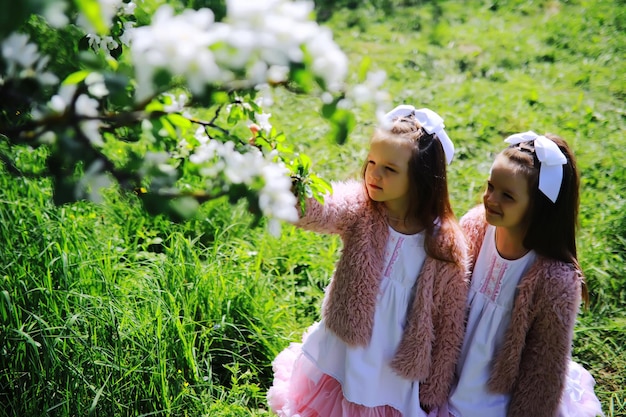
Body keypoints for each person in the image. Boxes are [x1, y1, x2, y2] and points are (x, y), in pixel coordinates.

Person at [267, 105, 470, 417]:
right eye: (372, 162)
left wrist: (435, 386)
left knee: (376, 400)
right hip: (348, 342)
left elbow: (449, 322)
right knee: (338, 392)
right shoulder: (362, 208)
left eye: (389, 169)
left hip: (393, 359)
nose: (374, 174)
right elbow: (324, 208)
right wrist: (293, 187)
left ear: (421, 178)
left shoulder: (444, 245)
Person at [445, 131, 604, 417]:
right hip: (452, 368)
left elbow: (543, 363)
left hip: (500, 388)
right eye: (491, 186)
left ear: (539, 206)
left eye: (507, 196)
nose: (490, 199)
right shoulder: (475, 227)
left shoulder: (554, 279)